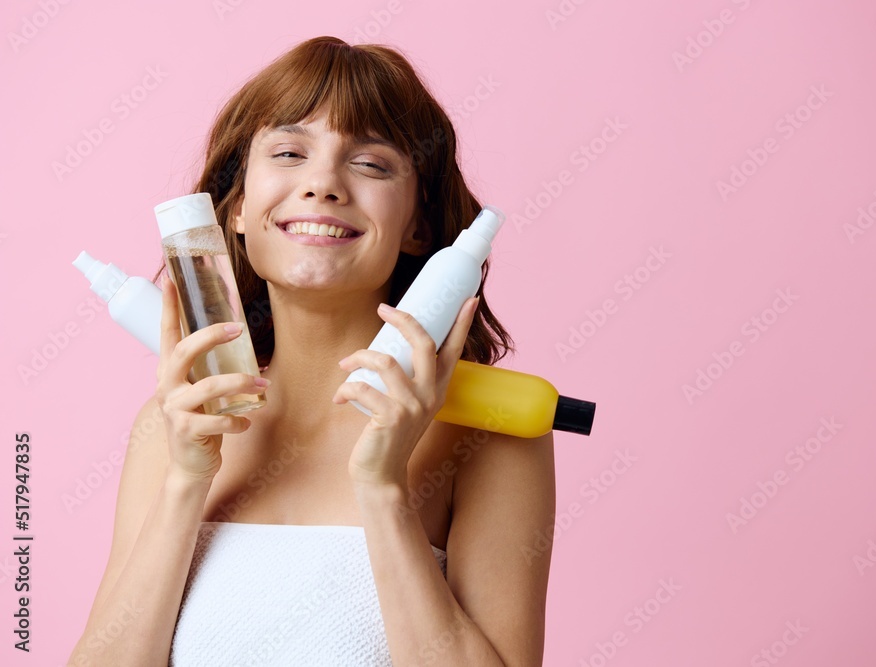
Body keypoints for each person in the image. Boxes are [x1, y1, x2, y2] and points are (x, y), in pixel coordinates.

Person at [68, 36, 555, 666]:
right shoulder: (172, 427)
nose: (322, 183)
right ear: (238, 209)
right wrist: (188, 479)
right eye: (290, 153)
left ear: (419, 227)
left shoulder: (487, 439)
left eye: (371, 164)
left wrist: (383, 492)